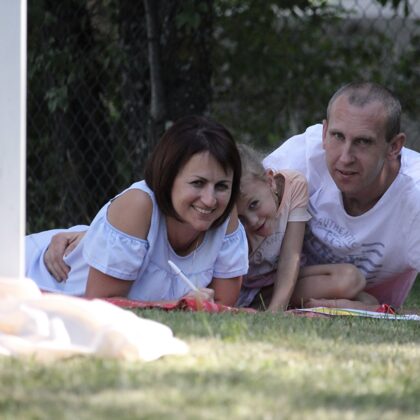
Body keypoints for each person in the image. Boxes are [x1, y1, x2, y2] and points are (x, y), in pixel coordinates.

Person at [25, 115, 248, 306]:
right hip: (29, 278)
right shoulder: (138, 205)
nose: (210, 200)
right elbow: (103, 305)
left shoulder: (225, 216)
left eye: (222, 186)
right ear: (168, 177)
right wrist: (178, 306)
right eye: (198, 183)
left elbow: (223, 307)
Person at [263, 82, 420, 310]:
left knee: (348, 282)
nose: (345, 158)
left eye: (363, 142)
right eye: (337, 136)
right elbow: (234, 213)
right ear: (324, 132)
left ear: (394, 147)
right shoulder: (301, 158)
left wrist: (373, 310)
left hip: (370, 304)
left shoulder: (414, 193)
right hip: (271, 285)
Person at [235, 143, 374, 312]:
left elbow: (290, 257)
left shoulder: (294, 185)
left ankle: (286, 303)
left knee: (352, 279)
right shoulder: (238, 223)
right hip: (248, 288)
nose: (252, 221)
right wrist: (275, 311)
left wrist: (276, 308)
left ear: (270, 181)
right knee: (360, 296)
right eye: (240, 218)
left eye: (254, 204)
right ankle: (265, 304)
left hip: (283, 277)